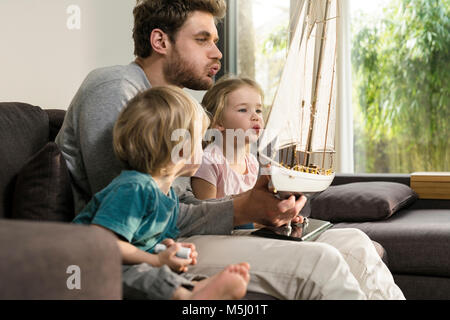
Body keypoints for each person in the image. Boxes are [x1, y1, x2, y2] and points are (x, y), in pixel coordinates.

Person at [56, 0, 405, 299]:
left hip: (177, 235)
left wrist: (256, 206)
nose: (218, 53)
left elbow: (178, 204)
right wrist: (240, 209)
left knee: (355, 245)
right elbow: (143, 213)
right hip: (145, 247)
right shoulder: (117, 88)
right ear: (160, 40)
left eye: (216, 40)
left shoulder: (175, 108)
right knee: (323, 261)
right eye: (202, 39)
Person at [73, 86, 251, 300]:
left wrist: (166, 249)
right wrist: (157, 261)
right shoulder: (135, 188)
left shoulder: (168, 195)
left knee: (153, 271)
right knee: (145, 273)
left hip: (124, 263)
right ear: (182, 149)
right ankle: (188, 297)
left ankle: (193, 288)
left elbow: (142, 239)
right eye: (200, 141)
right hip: (85, 266)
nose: (204, 149)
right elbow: (102, 242)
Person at [192, 76, 265, 229]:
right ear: (218, 122)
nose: (256, 116)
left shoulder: (251, 162)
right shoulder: (208, 162)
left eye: (258, 110)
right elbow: (207, 219)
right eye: (243, 110)